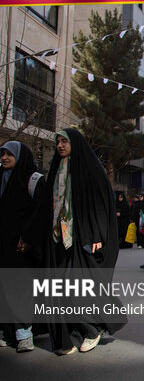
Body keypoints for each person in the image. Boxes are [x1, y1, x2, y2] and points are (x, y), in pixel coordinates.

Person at [21, 128, 127, 355]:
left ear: (75, 144)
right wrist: (29, 236)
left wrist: (96, 235)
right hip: (57, 239)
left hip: (82, 239)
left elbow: (100, 204)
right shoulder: (56, 169)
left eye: (64, 142)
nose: (60, 146)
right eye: (57, 142)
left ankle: (91, 330)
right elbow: (44, 207)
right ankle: (65, 339)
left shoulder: (90, 170)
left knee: (78, 289)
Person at [0, 141, 45, 352]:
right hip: (3, 245)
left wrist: (27, 238)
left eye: (9, 154)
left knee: (21, 290)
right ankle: (8, 332)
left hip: (22, 247)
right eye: (2, 154)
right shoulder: (2, 178)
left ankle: (25, 334)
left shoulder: (32, 180)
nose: (4, 158)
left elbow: (40, 213)